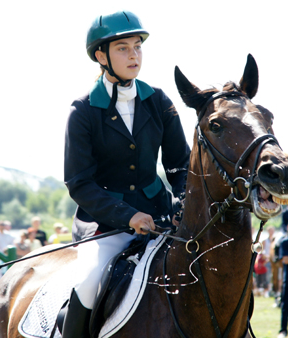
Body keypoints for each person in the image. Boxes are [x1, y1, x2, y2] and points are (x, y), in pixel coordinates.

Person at [62, 10, 190, 338]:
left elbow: (179, 165)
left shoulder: (159, 101)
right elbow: (79, 183)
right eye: (123, 48)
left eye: (138, 46)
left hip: (161, 218)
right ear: (100, 56)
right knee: (89, 282)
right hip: (104, 225)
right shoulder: (83, 111)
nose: (134, 54)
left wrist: (181, 203)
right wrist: (128, 215)